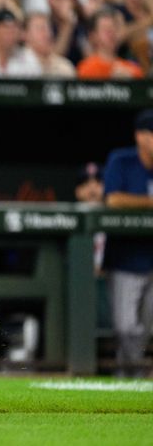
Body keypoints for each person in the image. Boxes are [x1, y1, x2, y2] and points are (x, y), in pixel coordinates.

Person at [102, 110, 153, 378]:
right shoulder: (122, 160)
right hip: (126, 259)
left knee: (146, 328)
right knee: (125, 327)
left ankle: (132, 377)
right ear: (141, 136)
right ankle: (131, 375)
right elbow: (113, 200)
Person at [76, 7, 144, 80]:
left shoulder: (133, 69)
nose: (111, 33)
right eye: (105, 29)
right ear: (93, 36)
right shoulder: (85, 70)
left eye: (114, 28)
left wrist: (130, 81)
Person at [24, 12, 76, 77]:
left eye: (48, 29)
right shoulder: (17, 64)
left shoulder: (65, 67)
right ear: (25, 34)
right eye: (40, 28)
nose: (47, 34)